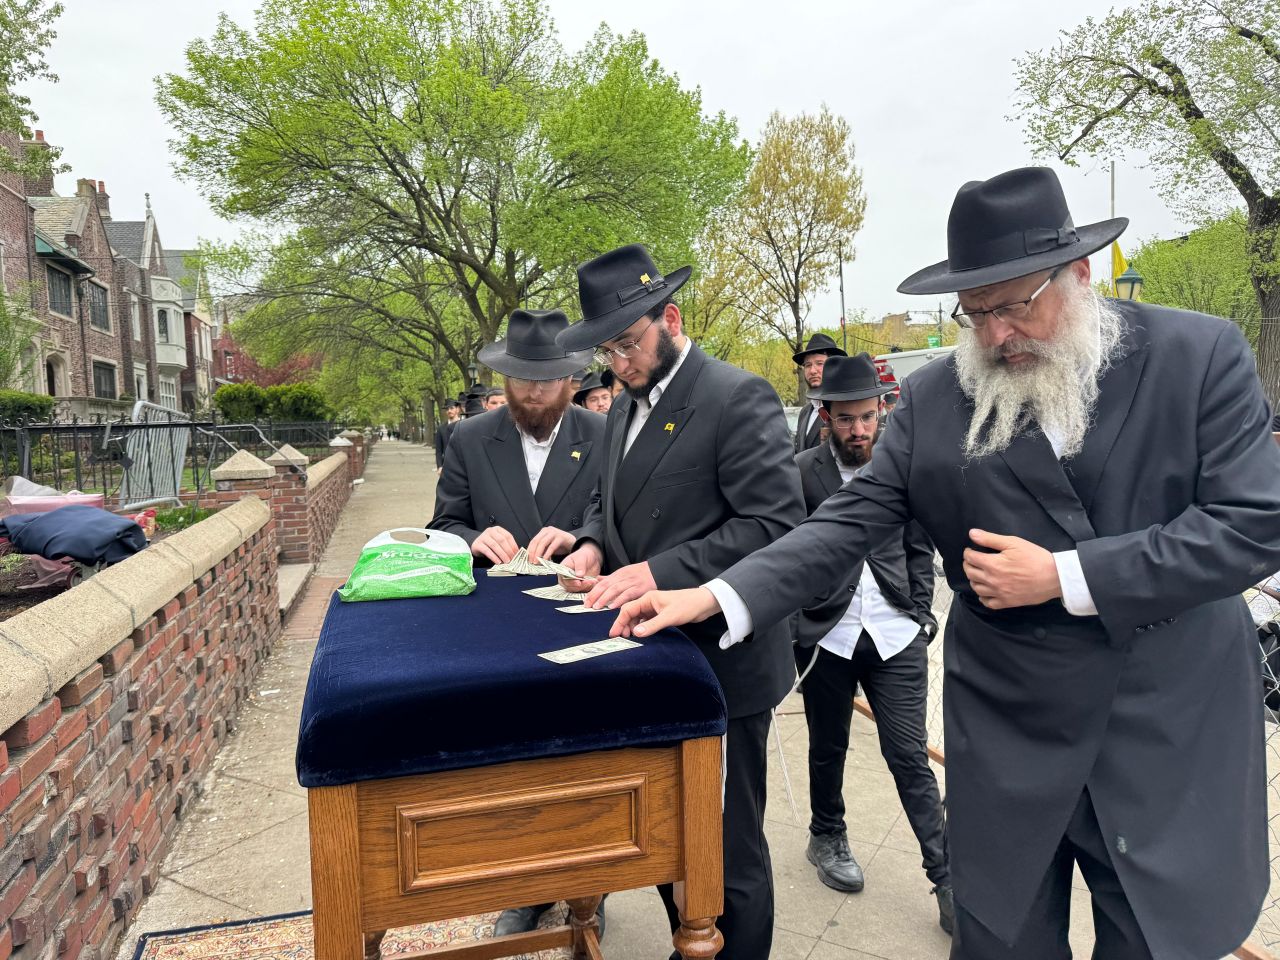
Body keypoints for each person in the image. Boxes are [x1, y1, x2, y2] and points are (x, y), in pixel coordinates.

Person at [609, 167, 1280, 960]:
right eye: (975, 312)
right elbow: (845, 522)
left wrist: (1068, 576)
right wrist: (718, 594)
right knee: (999, 935)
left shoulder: (1197, 356)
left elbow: (1253, 524)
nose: (995, 336)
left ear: (1080, 274)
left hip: (1162, 722)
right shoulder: (934, 400)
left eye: (1015, 305)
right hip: (1009, 724)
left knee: (1153, 941)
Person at [553, 243, 805, 960]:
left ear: (671, 319)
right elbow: (608, 502)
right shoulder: (620, 408)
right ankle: (693, 942)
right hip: (650, 656)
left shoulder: (736, 396)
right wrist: (593, 543)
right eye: (606, 350)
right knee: (668, 834)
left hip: (723, 664)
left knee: (727, 847)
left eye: (628, 344)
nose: (619, 363)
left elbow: (775, 525)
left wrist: (658, 571)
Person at [791, 352, 953, 933]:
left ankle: (947, 879)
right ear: (825, 416)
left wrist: (921, 612)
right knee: (828, 745)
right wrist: (795, 623)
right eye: (845, 419)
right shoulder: (802, 472)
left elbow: (919, 543)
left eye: (867, 417)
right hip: (827, 635)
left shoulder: (900, 464)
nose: (858, 429)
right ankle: (826, 835)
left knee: (908, 754)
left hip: (894, 633)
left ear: (882, 410)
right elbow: (786, 552)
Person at [429, 308, 605, 571]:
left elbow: (620, 522)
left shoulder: (603, 433)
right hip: (493, 588)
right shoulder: (469, 436)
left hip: (575, 586)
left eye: (548, 380)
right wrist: (473, 540)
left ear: (569, 378)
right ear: (506, 379)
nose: (535, 393)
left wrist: (578, 539)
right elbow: (442, 527)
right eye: (522, 379)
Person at [792, 333, 847, 452]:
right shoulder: (805, 412)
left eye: (820, 363)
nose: (812, 371)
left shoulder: (845, 409)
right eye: (808, 365)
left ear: (835, 367)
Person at [433, 400, 461, 475]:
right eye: (447, 409)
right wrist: (439, 466)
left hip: (462, 464)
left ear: (458, 409)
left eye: (451, 408)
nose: (449, 411)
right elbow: (438, 450)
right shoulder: (441, 428)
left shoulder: (465, 425)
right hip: (447, 465)